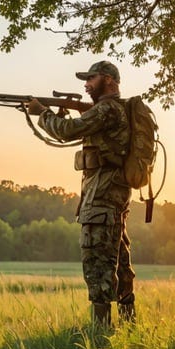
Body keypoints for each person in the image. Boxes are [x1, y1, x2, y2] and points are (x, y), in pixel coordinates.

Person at [27, 61, 135, 328]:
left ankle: (101, 335)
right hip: (109, 194)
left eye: (91, 78)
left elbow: (67, 131)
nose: (86, 84)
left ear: (108, 81)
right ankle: (129, 327)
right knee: (117, 260)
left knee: (98, 263)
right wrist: (59, 115)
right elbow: (77, 128)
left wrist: (42, 113)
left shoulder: (108, 109)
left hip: (103, 196)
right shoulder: (109, 110)